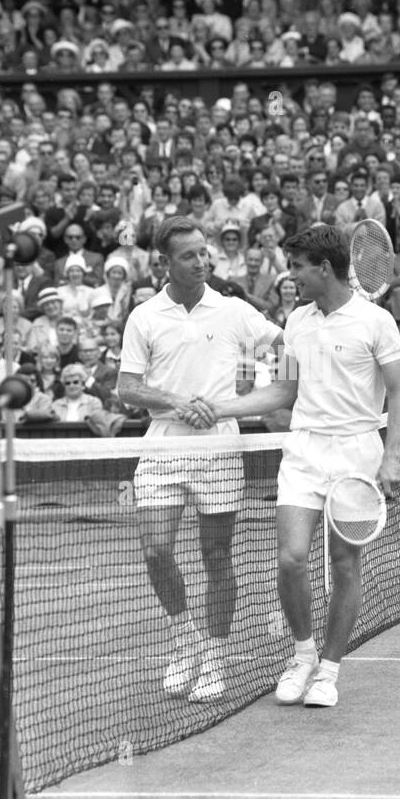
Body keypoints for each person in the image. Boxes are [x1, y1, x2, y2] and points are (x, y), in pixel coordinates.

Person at [199, 224, 400, 709]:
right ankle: (303, 654)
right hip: (305, 450)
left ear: (325, 269)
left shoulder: (376, 323)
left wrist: (391, 457)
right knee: (291, 558)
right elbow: (285, 392)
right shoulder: (296, 322)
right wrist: (222, 407)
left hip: (358, 451)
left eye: (297, 268)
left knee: (343, 565)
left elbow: (398, 393)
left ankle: (329, 672)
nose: (290, 277)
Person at [117, 216, 282, 703]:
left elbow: (285, 344)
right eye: (189, 255)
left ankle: (213, 655)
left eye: (204, 252)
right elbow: (127, 389)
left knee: (216, 556)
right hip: (164, 445)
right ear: (164, 263)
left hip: (220, 448)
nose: (202, 260)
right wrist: (175, 401)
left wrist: (283, 387)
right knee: (155, 549)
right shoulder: (144, 317)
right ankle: (185, 638)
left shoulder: (233, 311)